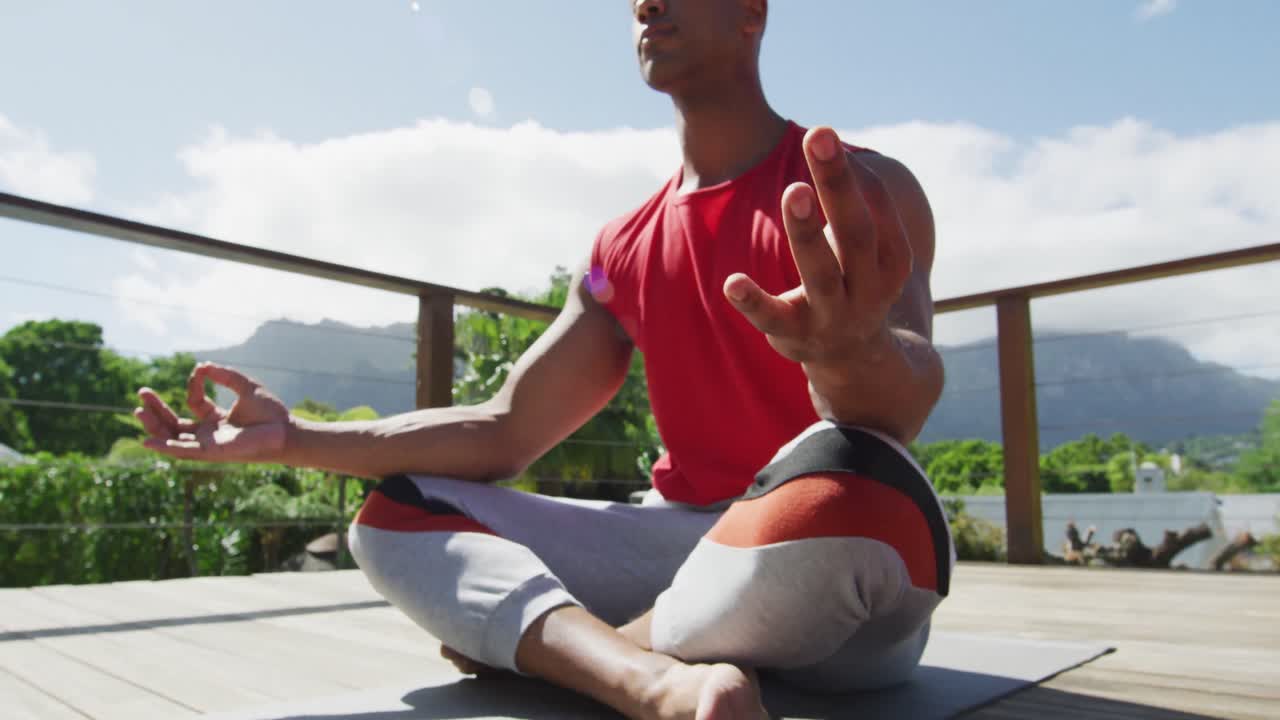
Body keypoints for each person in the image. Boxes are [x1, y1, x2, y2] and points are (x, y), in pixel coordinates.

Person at [135, 1, 950, 718]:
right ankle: (646, 684)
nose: (647, 2)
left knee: (857, 491)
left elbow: (904, 401)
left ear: (751, 10)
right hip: (679, 550)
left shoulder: (859, 188)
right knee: (396, 513)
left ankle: (581, 653)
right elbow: (505, 429)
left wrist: (853, 355)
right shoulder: (617, 252)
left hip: (819, 561)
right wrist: (294, 437)